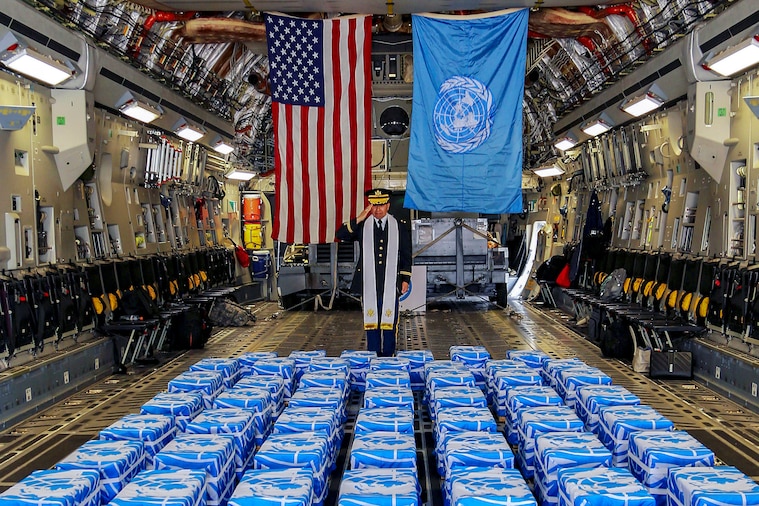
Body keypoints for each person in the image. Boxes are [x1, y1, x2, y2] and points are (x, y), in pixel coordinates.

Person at [336, 188, 412, 356]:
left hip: (391, 283)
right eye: (374, 205)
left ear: (388, 205)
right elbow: (340, 234)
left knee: (389, 322)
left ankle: (389, 355)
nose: (378, 209)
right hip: (369, 283)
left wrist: (405, 278)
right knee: (372, 323)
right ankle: (373, 356)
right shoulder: (363, 226)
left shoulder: (398, 227)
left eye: (382, 205)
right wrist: (360, 217)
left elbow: (406, 254)